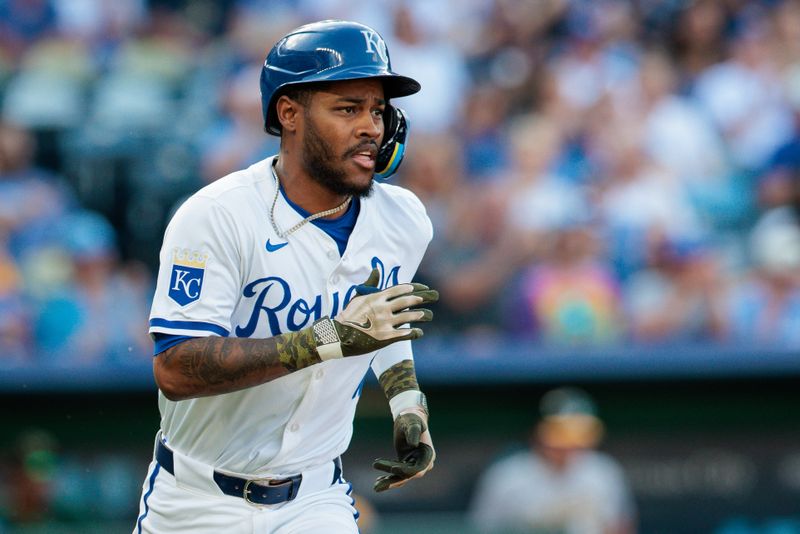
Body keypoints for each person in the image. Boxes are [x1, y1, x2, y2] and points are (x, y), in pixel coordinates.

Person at [133, 20, 438, 534]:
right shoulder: (218, 214)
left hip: (315, 498)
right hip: (196, 500)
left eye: (379, 110)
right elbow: (176, 369)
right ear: (289, 113)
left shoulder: (404, 220)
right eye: (348, 108)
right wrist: (325, 340)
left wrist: (409, 406)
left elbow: (385, 325)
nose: (372, 127)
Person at [469, 387, 636, 534]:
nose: (569, 443)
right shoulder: (508, 476)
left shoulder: (604, 471)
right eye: (561, 432)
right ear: (539, 431)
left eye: (577, 432)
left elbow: (621, 527)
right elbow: (481, 528)